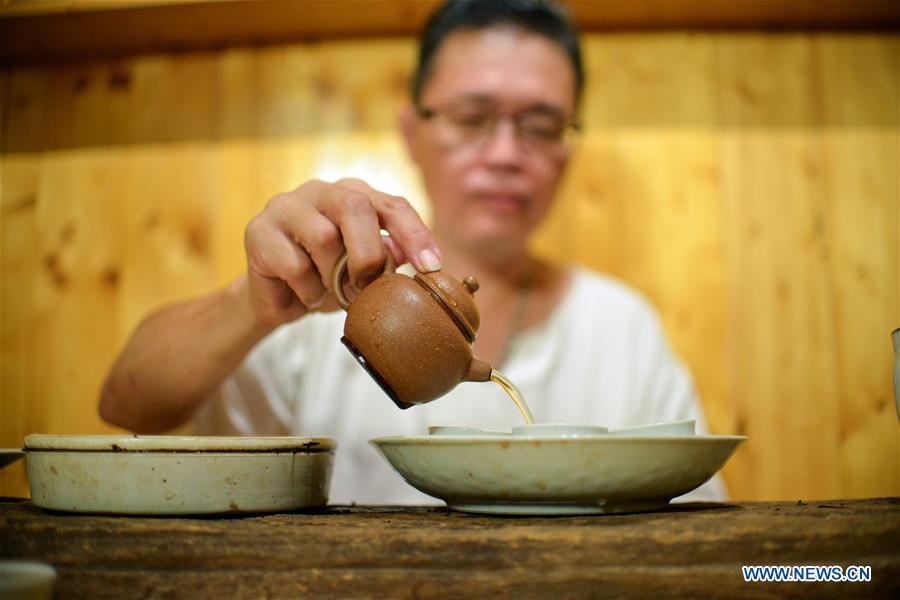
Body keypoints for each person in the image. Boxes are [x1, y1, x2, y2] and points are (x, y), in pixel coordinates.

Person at [100, 0, 726, 504]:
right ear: (412, 131)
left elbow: (698, 520)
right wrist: (252, 302)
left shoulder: (620, 326)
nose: (506, 154)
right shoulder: (325, 293)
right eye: (470, 116)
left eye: (540, 125)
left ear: (568, 147)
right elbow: (127, 404)